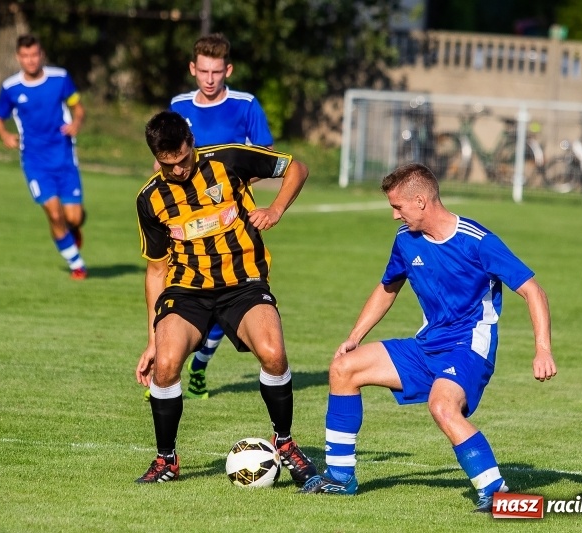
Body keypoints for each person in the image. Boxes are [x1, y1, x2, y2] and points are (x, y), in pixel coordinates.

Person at [299, 163, 557, 512]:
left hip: (468, 348)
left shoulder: (477, 241)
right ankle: (340, 477)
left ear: (420, 201)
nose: (394, 215)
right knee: (344, 368)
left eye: (398, 206)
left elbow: (533, 291)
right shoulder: (405, 240)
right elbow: (388, 287)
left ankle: (496, 492)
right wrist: (354, 336)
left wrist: (543, 349)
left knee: (442, 406)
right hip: (426, 346)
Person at [134, 110, 317, 485]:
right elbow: (155, 270)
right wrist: (152, 339)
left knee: (273, 353)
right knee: (165, 365)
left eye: (183, 159)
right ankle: (166, 460)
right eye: (168, 165)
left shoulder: (228, 159)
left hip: (243, 284)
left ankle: (284, 443)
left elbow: (297, 168)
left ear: (191, 142)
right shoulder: (150, 199)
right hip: (186, 289)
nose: (179, 170)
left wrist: (276, 209)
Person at [146, 33, 274, 400]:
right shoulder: (178, 104)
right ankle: (165, 369)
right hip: (184, 219)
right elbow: (164, 154)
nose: (210, 78)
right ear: (193, 68)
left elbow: (264, 156)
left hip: (231, 218)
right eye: (203, 71)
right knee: (180, 286)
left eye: (216, 71)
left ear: (227, 70)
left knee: (229, 290)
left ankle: (199, 364)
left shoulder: (245, 104)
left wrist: (229, 182)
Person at [0, 34, 88, 280]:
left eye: (34, 55)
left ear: (41, 54)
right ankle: (77, 265)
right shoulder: (10, 87)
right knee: (54, 214)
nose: (31, 60)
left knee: (74, 217)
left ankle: (73, 228)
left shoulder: (60, 78)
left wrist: (76, 123)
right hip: (34, 161)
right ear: (18, 57)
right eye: (25, 56)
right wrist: (4, 135)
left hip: (64, 157)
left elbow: (78, 107)